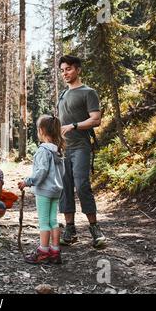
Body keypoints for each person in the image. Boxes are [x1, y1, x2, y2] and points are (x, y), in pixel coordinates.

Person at [57, 55, 106, 248]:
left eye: (68, 69)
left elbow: (96, 119)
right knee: (65, 188)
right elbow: (59, 123)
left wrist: (74, 126)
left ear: (77, 69)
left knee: (82, 185)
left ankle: (95, 229)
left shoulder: (88, 92)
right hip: (63, 150)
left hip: (81, 148)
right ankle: (70, 230)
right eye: (62, 70)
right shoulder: (62, 95)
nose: (65, 73)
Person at [18, 114, 65, 264]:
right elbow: (61, 172)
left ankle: (43, 251)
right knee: (53, 220)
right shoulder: (58, 150)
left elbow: (41, 172)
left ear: (42, 130)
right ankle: (55, 251)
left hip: (44, 191)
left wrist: (28, 182)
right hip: (56, 190)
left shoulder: (43, 150)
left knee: (44, 222)